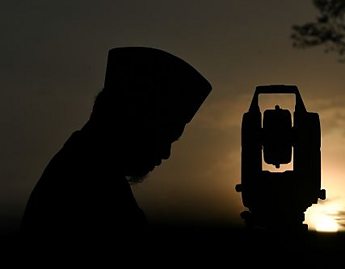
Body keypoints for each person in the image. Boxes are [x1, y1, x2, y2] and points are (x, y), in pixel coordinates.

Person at [20, 47, 212, 240]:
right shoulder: (93, 187)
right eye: (164, 137)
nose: (166, 153)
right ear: (133, 119)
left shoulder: (84, 169)